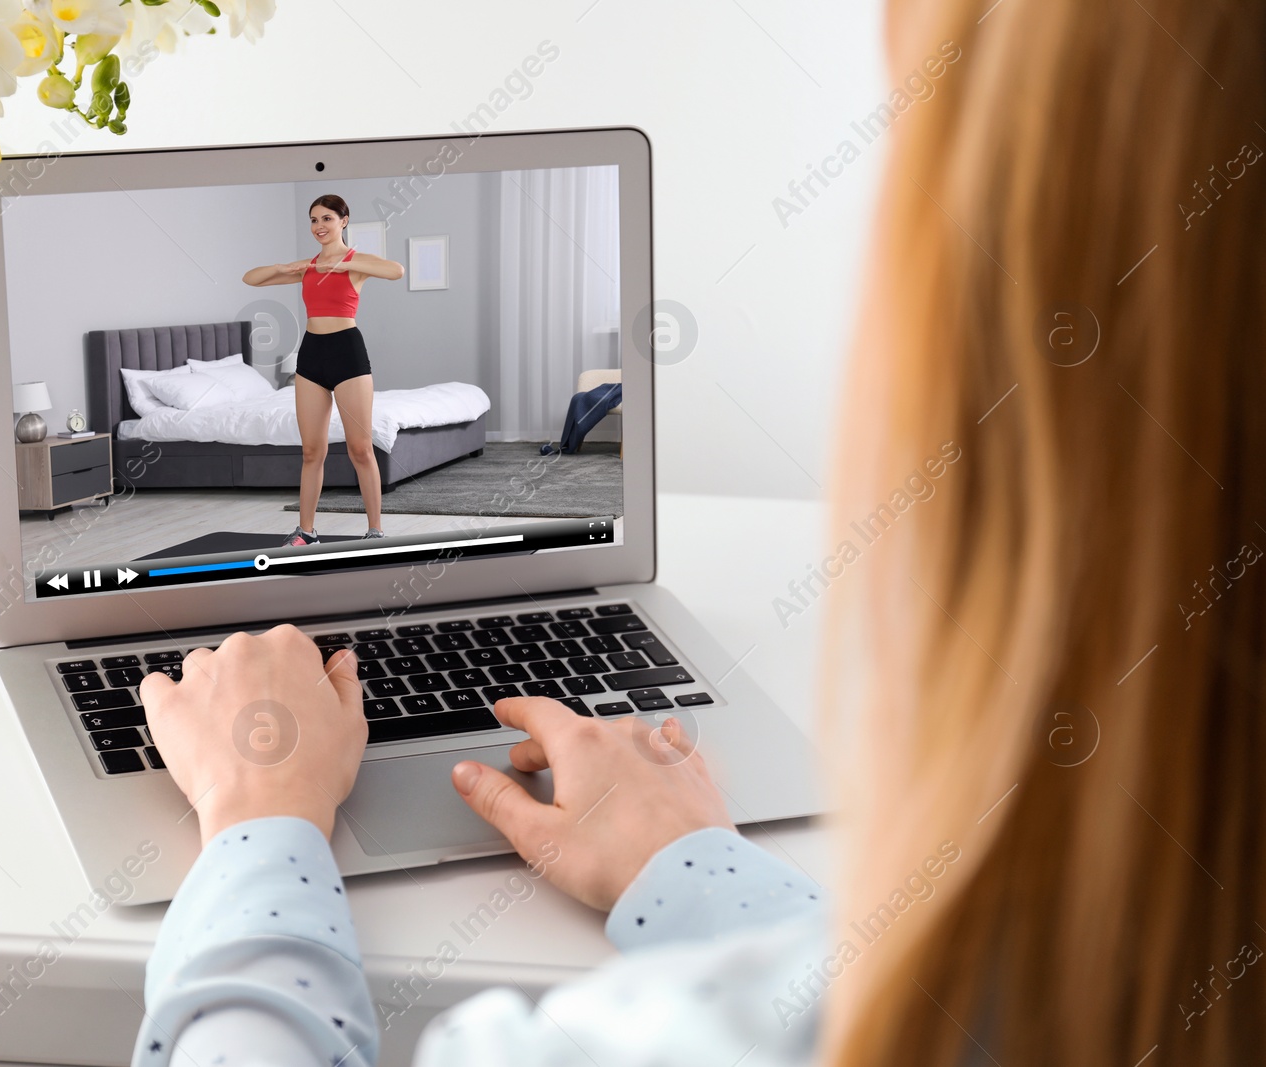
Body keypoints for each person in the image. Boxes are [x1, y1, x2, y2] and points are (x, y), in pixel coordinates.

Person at [139, 0, 1266, 1062]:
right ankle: (310, 525)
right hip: (320, 372)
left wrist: (258, 822)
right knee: (309, 460)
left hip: (346, 376)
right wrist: (695, 869)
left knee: (360, 454)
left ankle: (360, 528)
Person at [242, 194, 405, 547]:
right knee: (311, 451)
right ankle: (306, 532)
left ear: (343, 221)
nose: (319, 226)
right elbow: (250, 279)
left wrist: (347, 267)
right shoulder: (308, 266)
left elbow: (396, 271)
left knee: (360, 449)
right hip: (312, 355)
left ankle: (375, 531)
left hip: (347, 352)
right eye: (314, 220)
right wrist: (285, 268)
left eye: (327, 219)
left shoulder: (355, 261)